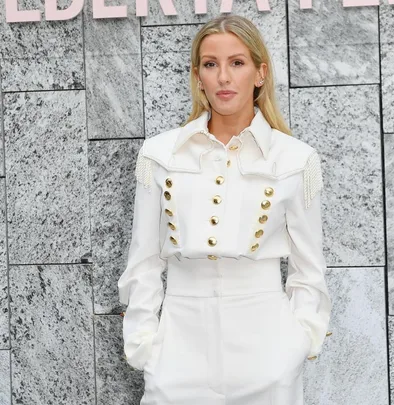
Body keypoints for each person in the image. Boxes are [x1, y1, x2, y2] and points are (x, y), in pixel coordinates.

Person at [117, 14, 332, 405]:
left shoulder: (296, 159)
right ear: (198, 76)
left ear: (260, 72)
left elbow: (308, 267)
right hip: (178, 347)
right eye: (211, 64)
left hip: (268, 348)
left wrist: (299, 342)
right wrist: (145, 345)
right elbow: (144, 261)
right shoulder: (159, 154)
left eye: (237, 63)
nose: (223, 77)